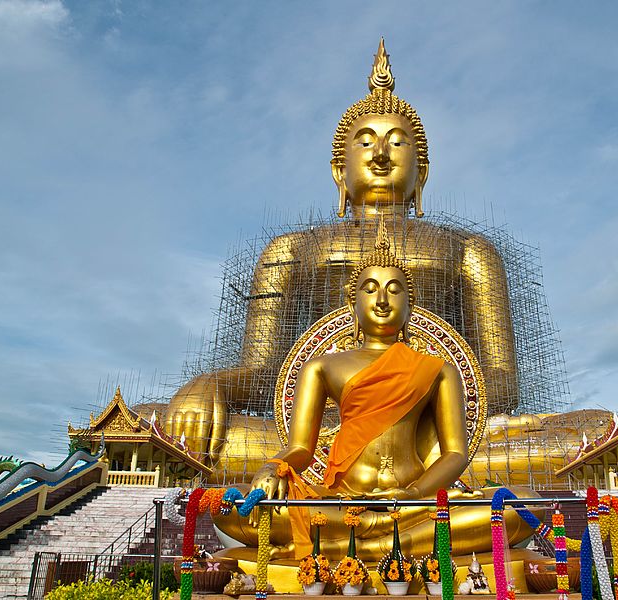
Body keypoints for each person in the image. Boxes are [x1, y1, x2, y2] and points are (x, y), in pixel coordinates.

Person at [163, 40, 519, 477]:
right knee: (166, 424)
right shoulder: (291, 250)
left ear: (421, 171)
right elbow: (262, 373)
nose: (382, 155)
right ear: (339, 170)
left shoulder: (470, 251)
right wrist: (209, 383)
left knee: (576, 433)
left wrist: (416, 392)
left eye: (397, 143)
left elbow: (501, 381)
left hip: (429, 432)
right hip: (313, 427)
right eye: (365, 143)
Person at [213, 222, 536, 561]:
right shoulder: (322, 367)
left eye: (394, 290)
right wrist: (272, 467)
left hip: (416, 503)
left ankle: (364, 546)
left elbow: (455, 454)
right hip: (340, 500)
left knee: (522, 505)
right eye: (370, 289)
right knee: (230, 507)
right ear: (353, 303)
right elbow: (300, 448)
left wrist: (414, 494)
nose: (382, 300)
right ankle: (393, 545)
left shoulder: (439, 370)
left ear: (411, 306)